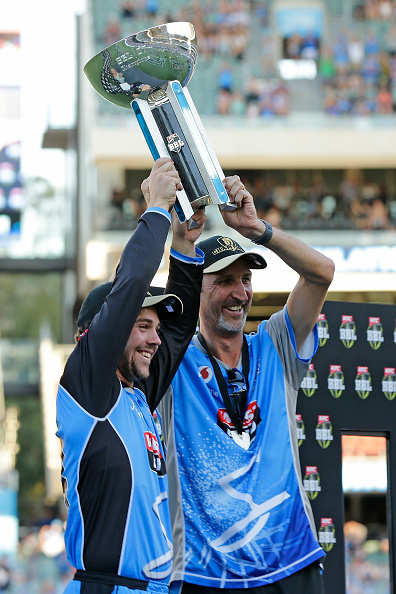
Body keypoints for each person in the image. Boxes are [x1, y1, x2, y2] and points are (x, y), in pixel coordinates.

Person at [159, 175, 335, 593]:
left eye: (246, 280)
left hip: (291, 564)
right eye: (223, 281)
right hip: (206, 574)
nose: (240, 292)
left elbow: (321, 274)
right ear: (197, 290)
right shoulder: (171, 363)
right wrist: (178, 243)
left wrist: (259, 231)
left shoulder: (275, 346)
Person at [56, 157, 206, 594]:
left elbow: (178, 331)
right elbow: (130, 285)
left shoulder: (135, 396)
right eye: (142, 325)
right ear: (95, 334)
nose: (154, 340)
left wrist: (183, 245)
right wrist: (156, 207)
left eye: (153, 328)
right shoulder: (89, 387)